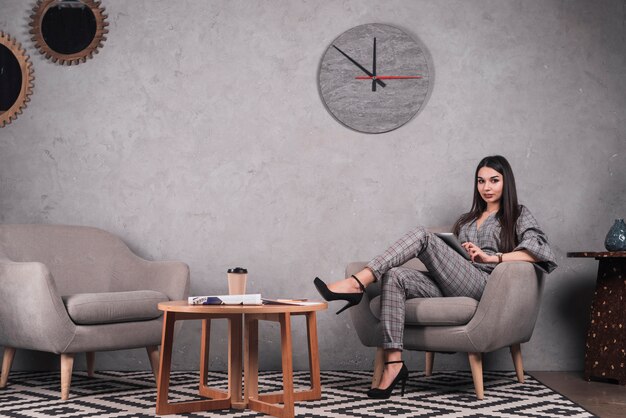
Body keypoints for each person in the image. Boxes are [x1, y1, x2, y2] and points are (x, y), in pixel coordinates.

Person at [314, 155, 557, 399]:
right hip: (455, 280)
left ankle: (357, 283)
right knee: (395, 275)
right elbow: (454, 260)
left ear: (506, 183)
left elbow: (540, 251)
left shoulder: (517, 214)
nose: (487, 187)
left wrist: (493, 258)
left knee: (423, 235)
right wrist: (460, 253)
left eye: (494, 180)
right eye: (481, 181)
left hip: (486, 285)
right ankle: (394, 363)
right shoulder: (466, 219)